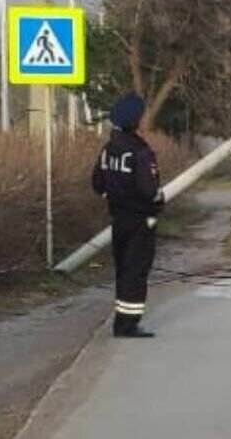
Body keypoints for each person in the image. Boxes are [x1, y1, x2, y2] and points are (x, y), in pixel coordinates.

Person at [92, 94, 165, 338]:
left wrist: (114, 197)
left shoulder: (109, 150)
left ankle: (121, 321)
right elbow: (148, 190)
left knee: (123, 269)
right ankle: (128, 324)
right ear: (136, 121)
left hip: (118, 220)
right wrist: (159, 199)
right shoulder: (140, 152)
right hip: (140, 221)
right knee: (136, 270)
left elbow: (97, 183)